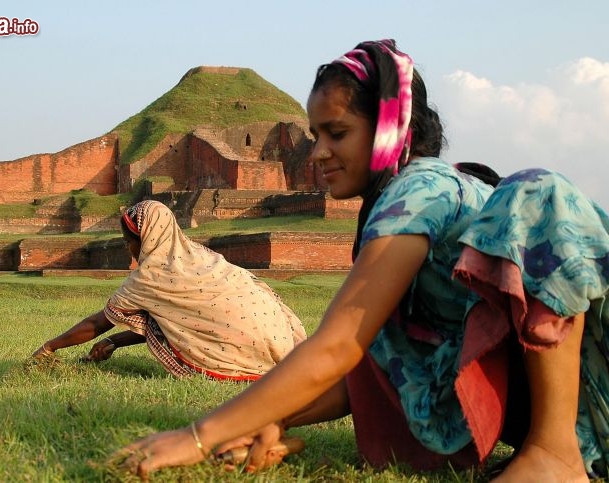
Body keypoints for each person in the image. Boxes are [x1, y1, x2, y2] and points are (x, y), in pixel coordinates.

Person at [106, 40, 609, 482]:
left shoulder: (421, 190)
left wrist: (199, 436)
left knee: (535, 191)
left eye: (337, 133)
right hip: (597, 424)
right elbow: (365, 370)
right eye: (315, 135)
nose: (318, 152)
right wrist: (275, 417)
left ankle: (554, 453)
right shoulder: (396, 210)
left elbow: (338, 345)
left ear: (390, 128)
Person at [32, 200, 306, 381]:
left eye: (129, 241)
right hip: (286, 341)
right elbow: (181, 322)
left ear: (146, 239)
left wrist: (48, 348)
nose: (129, 249)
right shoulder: (199, 256)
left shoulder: (152, 275)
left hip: (252, 355)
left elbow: (96, 323)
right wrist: (116, 343)